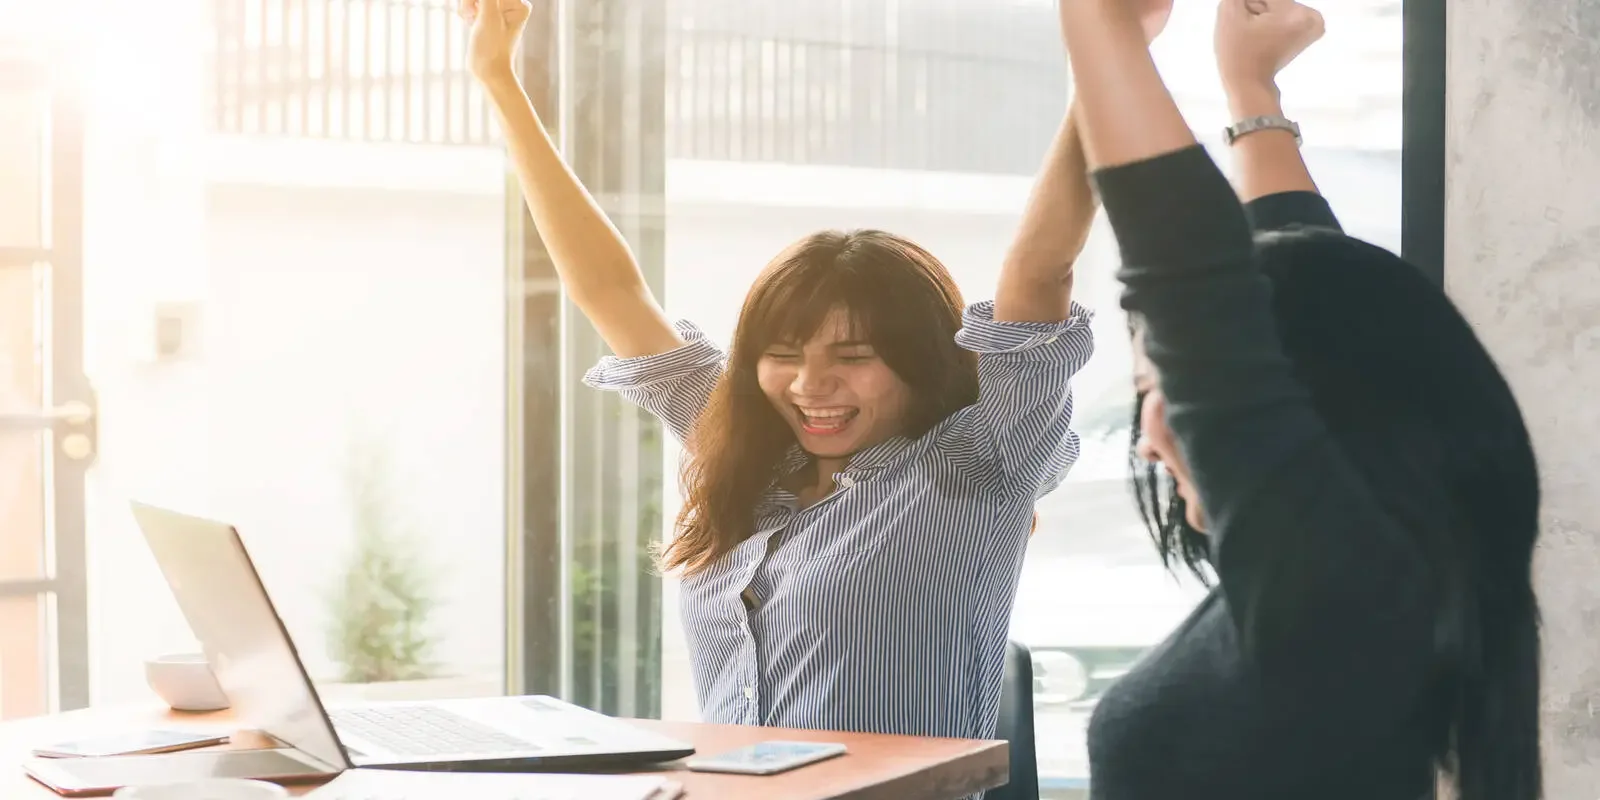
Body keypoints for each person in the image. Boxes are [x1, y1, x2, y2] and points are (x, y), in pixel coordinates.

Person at [459, 0, 1102, 745]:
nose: (810, 385)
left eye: (854, 357)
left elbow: (1040, 273)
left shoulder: (975, 465)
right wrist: (498, 80)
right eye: (785, 354)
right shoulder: (742, 448)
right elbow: (609, 290)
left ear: (922, 364)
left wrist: (1106, 56)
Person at [1061, 1, 1544, 799]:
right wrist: (1252, 94)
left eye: (1157, 390)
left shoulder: (1337, 593)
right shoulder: (1376, 580)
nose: (1147, 442)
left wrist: (1100, 23)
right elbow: (1319, 290)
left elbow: (1197, 281)